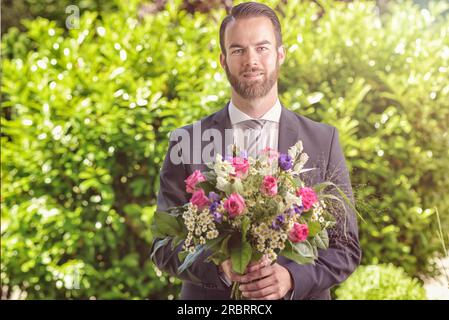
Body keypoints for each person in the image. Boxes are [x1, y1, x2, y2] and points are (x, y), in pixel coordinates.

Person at [150, 1, 361, 300]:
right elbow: (163, 243)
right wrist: (221, 268)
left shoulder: (322, 140)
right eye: (238, 50)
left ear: (280, 55)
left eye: (262, 48)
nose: (251, 60)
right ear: (223, 60)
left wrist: (291, 278)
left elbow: (346, 248)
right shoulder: (187, 140)